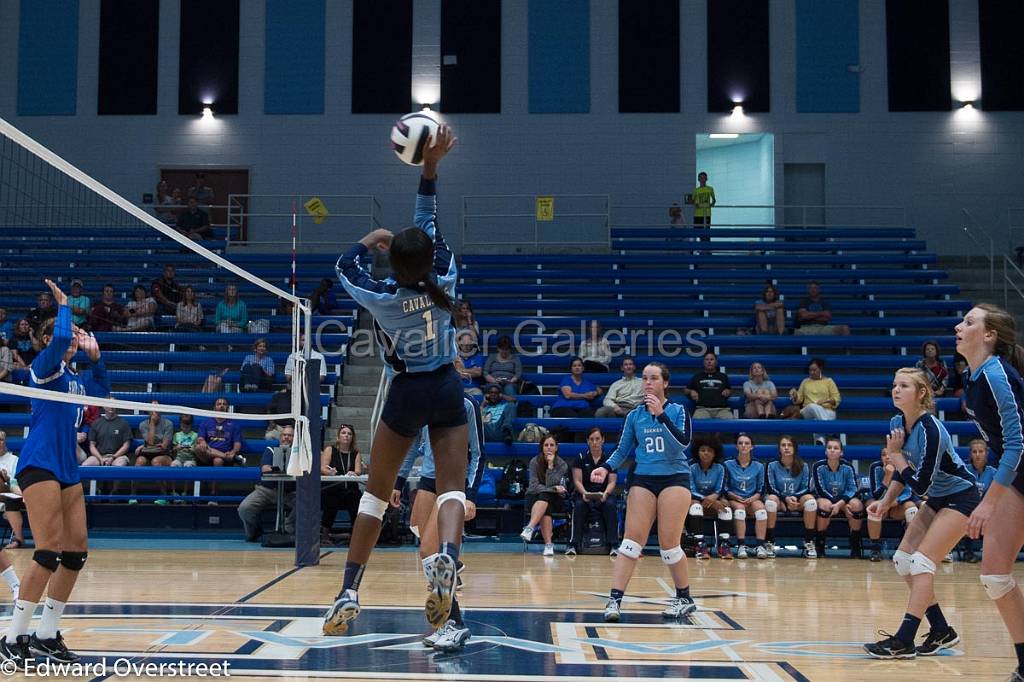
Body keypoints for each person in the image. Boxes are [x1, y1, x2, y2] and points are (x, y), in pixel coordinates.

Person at [324, 125, 471, 652]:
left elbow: (344, 266)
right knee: (451, 490)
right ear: (430, 259)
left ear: (395, 264)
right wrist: (431, 169)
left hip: (406, 392)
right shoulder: (447, 276)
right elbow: (429, 221)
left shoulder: (381, 296)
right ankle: (447, 556)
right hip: (446, 388)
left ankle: (348, 591)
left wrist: (373, 240)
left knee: (375, 495)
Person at [0, 280, 108, 667]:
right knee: (47, 552)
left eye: (78, 336)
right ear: (50, 340)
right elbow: (61, 335)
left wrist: (98, 361)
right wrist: (64, 307)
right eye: (70, 336)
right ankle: (13, 638)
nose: (76, 339)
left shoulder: (75, 379)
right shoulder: (44, 369)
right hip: (39, 465)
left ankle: (46, 635)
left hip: (67, 468)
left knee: (76, 553)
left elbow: (102, 401)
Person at [863, 368, 980, 659]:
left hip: (962, 497)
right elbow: (904, 476)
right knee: (903, 561)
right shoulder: (896, 422)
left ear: (921, 393)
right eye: (894, 385)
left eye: (904, 385)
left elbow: (922, 484)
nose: (896, 389)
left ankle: (904, 639)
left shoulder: (932, 429)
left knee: (922, 562)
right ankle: (941, 629)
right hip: (939, 496)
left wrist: (897, 457)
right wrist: (886, 500)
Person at [591, 362, 696, 622]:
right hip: (643, 479)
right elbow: (622, 450)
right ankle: (614, 600)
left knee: (669, 547)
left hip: (674, 478)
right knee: (629, 543)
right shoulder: (634, 415)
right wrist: (604, 468)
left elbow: (681, 444)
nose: (648, 382)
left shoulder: (678, 410)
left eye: (654, 378)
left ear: (665, 383)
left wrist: (661, 415)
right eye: (645, 378)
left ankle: (684, 598)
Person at [955, 304, 1024, 681]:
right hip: (1017, 477)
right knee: (996, 576)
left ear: (989, 336)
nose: (958, 326)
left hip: (1016, 470)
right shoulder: (974, 374)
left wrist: (988, 502)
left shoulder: (997, 375)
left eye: (968, 322)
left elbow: (1016, 444)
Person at [392, 397, 484, 648]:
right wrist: (399, 481)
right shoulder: (423, 400)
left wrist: (471, 496)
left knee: (432, 551)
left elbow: (478, 453)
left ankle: (457, 624)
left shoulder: (467, 404)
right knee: (427, 553)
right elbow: (414, 445)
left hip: (452, 481)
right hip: (427, 480)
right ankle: (448, 621)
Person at [238, 426, 295, 542]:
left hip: (291, 492)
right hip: (267, 490)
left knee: (307, 504)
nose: (286, 438)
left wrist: (276, 468)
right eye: (284, 435)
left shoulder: (298, 453)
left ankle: (288, 528)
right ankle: (254, 532)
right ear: (280, 437)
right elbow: (265, 469)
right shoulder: (271, 449)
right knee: (244, 508)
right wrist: (283, 469)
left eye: (290, 435)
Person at [567, 428, 618, 556]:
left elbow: (612, 482)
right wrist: (584, 493)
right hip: (584, 494)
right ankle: (573, 544)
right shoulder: (580, 458)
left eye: (597, 439)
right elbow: (577, 480)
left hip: (604, 495)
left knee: (611, 505)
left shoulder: (610, 459)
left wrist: (605, 493)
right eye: (591, 439)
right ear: (587, 441)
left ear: (603, 440)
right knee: (578, 505)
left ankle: (614, 545)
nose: (595, 442)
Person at [764, 435, 817, 559]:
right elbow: (770, 487)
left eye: (789, 445)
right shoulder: (771, 465)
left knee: (810, 501)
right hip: (780, 500)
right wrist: (785, 498)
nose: (786, 448)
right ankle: (770, 542)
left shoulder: (803, 466)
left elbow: (806, 488)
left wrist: (794, 498)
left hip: (797, 501)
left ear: (795, 448)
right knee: (771, 500)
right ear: (779, 449)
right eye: (783, 445)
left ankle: (809, 542)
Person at [811, 437, 865, 558]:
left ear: (841, 452)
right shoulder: (818, 466)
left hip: (843, 500)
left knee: (857, 505)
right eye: (829, 448)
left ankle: (854, 544)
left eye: (836, 448)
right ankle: (820, 544)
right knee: (825, 505)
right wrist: (838, 504)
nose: (832, 450)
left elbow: (853, 489)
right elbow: (820, 490)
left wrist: (841, 503)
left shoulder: (848, 467)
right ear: (825, 451)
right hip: (825, 498)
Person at [864, 445, 919, 562]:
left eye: (890, 454)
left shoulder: (904, 467)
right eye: (884, 455)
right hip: (879, 504)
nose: (887, 457)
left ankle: (909, 548)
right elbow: (876, 495)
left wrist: (892, 502)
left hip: (895, 505)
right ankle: (875, 548)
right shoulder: (875, 467)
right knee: (873, 507)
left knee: (911, 507)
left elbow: (908, 493)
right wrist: (887, 476)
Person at [519, 436, 570, 557]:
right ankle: (548, 545)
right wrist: (552, 489)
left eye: (552, 445)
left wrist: (551, 465)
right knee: (544, 498)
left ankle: (530, 528)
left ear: (556, 448)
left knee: (545, 496)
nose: (549, 448)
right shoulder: (534, 462)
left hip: (556, 499)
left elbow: (559, 488)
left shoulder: (562, 465)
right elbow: (534, 486)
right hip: (534, 496)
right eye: (546, 445)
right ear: (542, 447)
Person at [723, 434, 769, 559]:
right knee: (739, 511)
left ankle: (760, 545)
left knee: (761, 511)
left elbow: (761, 488)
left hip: (752, 498)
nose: (744, 446)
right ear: (736, 446)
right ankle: (741, 546)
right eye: (741, 443)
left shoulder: (759, 466)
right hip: (735, 498)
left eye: (747, 443)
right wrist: (734, 496)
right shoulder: (728, 464)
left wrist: (754, 498)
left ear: (752, 446)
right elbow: (725, 487)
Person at [687, 435, 730, 560]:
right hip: (697, 501)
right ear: (697, 451)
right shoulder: (690, 467)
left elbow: (720, 488)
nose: (706, 453)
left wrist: (714, 499)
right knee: (694, 505)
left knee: (726, 508)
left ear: (715, 453)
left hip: (714, 501)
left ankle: (724, 545)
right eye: (703, 450)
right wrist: (707, 499)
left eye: (709, 451)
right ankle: (700, 544)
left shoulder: (721, 467)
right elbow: (691, 489)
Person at [320, 425, 363, 544]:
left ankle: (355, 535)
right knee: (331, 499)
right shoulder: (330, 449)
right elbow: (323, 468)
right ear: (338, 436)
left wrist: (354, 473)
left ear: (352, 437)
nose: (346, 436)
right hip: (333, 487)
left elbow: (359, 470)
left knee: (356, 500)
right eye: (343, 433)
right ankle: (325, 535)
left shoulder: (355, 453)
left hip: (349, 489)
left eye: (349, 434)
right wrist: (330, 472)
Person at [788, 358, 841, 444]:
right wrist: (794, 395)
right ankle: (831, 430)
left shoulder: (829, 381)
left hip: (827, 411)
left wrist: (825, 401)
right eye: (810, 370)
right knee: (813, 406)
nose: (812, 372)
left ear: (821, 369)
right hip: (808, 411)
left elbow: (837, 399)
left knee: (816, 420)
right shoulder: (805, 381)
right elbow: (799, 399)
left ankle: (819, 442)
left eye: (814, 370)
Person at [962, 439, 995, 563]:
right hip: (968, 509)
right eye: (974, 451)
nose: (977, 455)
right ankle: (968, 552)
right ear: (970, 454)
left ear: (986, 453)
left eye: (981, 451)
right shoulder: (964, 470)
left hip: (987, 511)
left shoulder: (993, 472)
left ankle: (989, 552)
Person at [193, 397, 246, 467]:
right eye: (219, 404)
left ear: (227, 408)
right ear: (214, 408)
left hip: (226, 454)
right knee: (198, 448)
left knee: (218, 460)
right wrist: (202, 441)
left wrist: (232, 452)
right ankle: (229, 457)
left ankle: (224, 458)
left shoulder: (234, 424)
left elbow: (237, 445)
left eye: (224, 404)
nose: (221, 406)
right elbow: (200, 438)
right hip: (208, 455)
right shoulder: (205, 422)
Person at [0, 430, 27, 554]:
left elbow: (16, 482)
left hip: (10, 491)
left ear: (5, 442)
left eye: (0, 440)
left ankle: (18, 539)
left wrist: (7, 479)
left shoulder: (14, 459)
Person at [686, 352, 732, 420]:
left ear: (716, 362)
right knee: (696, 426)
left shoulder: (723, 376)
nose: (709, 361)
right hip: (702, 409)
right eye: (707, 359)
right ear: (703, 362)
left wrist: (728, 391)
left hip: (722, 410)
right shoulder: (697, 376)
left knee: (731, 426)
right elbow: (685, 390)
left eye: (711, 359)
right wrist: (691, 391)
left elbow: (730, 390)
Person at [483, 335, 521, 399]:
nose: (504, 351)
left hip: (510, 383)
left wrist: (511, 381)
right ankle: (492, 409)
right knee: (494, 389)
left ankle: (511, 408)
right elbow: (485, 372)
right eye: (502, 349)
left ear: (510, 349)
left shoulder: (515, 358)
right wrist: (494, 381)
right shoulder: (492, 357)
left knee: (510, 389)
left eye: (506, 349)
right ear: (498, 348)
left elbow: (518, 373)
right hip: (493, 382)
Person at [455, 332, 484, 398]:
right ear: (460, 345)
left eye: (468, 344)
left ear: (472, 345)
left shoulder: (477, 356)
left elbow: (478, 373)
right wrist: (471, 370)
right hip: (458, 388)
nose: (466, 346)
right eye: (463, 344)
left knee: (479, 396)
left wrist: (462, 370)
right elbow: (455, 373)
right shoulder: (455, 357)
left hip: (473, 388)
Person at [691, 171, 716, 241]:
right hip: (697, 214)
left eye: (704, 178)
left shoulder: (710, 189)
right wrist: (695, 204)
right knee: (697, 232)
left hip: (706, 213)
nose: (702, 179)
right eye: (701, 178)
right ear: (698, 179)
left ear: (706, 179)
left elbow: (714, 200)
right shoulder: (696, 190)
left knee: (707, 232)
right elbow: (692, 201)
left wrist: (712, 204)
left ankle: (707, 248)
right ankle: (697, 247)